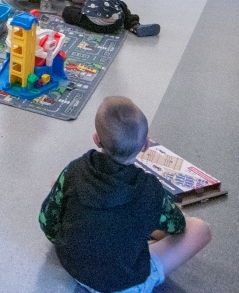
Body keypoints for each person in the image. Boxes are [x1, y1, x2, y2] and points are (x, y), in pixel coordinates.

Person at [40, 96, 211, 293]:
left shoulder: (74, 170)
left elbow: (46, 221)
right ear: (145, 145)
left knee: (58, 183)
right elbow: (177, 226)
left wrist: (67, 242)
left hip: (74, 267)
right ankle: (143, 228)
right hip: (126, 284)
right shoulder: (150, 189)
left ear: (96, 139)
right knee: (199, 228)